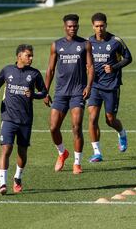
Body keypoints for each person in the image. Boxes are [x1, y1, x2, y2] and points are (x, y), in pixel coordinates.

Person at [0, 44, 47, 195]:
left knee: (22, 152)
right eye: (28, 55)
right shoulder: (7, 70)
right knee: (6, 148)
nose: (31, 58)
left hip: (26, 120)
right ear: (19, 56)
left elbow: (44, 92)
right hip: (8, 118)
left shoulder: (34, 74)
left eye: (31, 55)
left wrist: (33, 95)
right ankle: (2, 183)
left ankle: (17, 177)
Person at [44, 14, 94, 174]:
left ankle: (77, 163)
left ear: (78, 26)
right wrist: (45, 91)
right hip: (60, 93)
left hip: (78, 93)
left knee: (76, 127)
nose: (72, 28)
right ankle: (62, 153)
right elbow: (50, 70)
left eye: (75, 26)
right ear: (65, 27)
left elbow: (90, 67)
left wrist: (89, 86)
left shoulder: (85, 44)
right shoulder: (56, 45)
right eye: (70, 26)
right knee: (53, 127)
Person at [87, 12, 132, 162]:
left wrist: (114, 67)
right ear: (93, 27)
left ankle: (122, 132)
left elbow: (128, 58)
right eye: (97, 26)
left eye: (102, 26)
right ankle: (97, 152)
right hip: (94, 86)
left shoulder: (115, 41)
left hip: (112, 85)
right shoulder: (88, 43)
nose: (99, 29)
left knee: (110, 119)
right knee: (92, 118)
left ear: (106, 25)